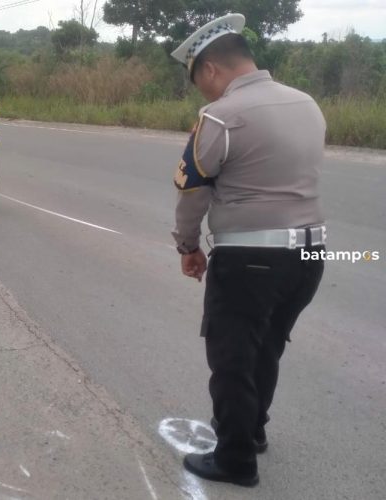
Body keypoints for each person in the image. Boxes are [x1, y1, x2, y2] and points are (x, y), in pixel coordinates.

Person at [170, 13, 326, 487]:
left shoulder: (221, 115)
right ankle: (253, 430)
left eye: (200, 81)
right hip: (309, 255)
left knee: (233, 358)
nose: (204, 92)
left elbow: (192, 190)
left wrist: (188, 247)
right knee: (267, 348)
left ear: (211, 69)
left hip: (250, 259)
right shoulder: (307, 104)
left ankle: (236, 459)